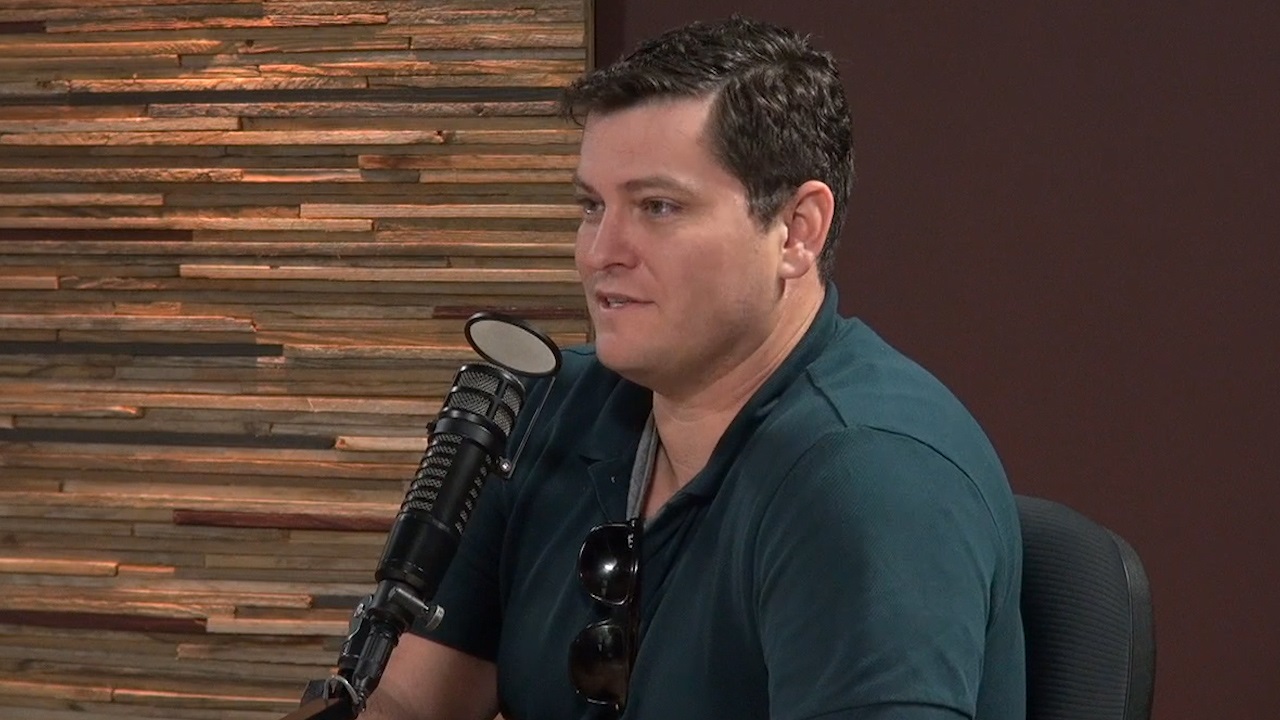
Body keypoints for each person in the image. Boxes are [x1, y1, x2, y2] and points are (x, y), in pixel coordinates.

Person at [362, 15, 1024, 720]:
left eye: (658, 207)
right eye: (592, 206)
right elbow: (405, 701)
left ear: (797, 231)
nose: (600, 252)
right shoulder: (546, 410)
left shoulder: (871, 482)